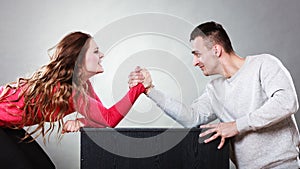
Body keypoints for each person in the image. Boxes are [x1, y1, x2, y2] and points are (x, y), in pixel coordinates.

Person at [128, 21, 300, 168]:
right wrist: (150, 90)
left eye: (197, 54)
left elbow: (286, 102)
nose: (194, 62)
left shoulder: (263, 64)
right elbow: (191, 117)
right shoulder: (214, 89)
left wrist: (237, 126)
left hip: (283, 165)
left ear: (216, 50)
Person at [0, 31, 148, 169]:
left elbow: (103, 119)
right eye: (96, 51)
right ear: (79, 58)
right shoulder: (72, 91)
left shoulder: (82, 86)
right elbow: (109, 119)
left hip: (7, 126)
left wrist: (82, 122)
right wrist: (139, 88)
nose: (102, 55)